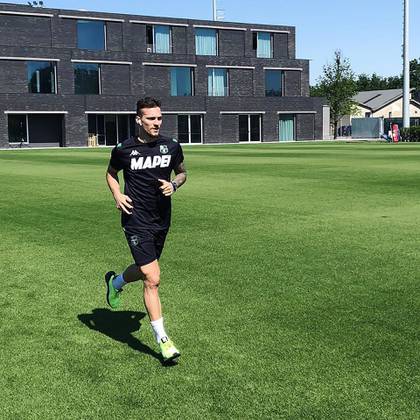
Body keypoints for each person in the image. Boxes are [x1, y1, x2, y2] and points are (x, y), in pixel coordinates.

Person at [105, 97, 187, 363]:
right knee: (153, 278)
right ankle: (163, 340)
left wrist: (174, 185)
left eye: (159, 117)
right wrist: (117, 194)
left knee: (144, 270)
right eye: (151, 118)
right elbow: (110, 173)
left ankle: (115, 282)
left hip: (161, 219)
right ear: (139, 120)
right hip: (135, 219)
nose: (157, 122)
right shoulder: (123, 149)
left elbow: (183, 173)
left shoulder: (171, 146)